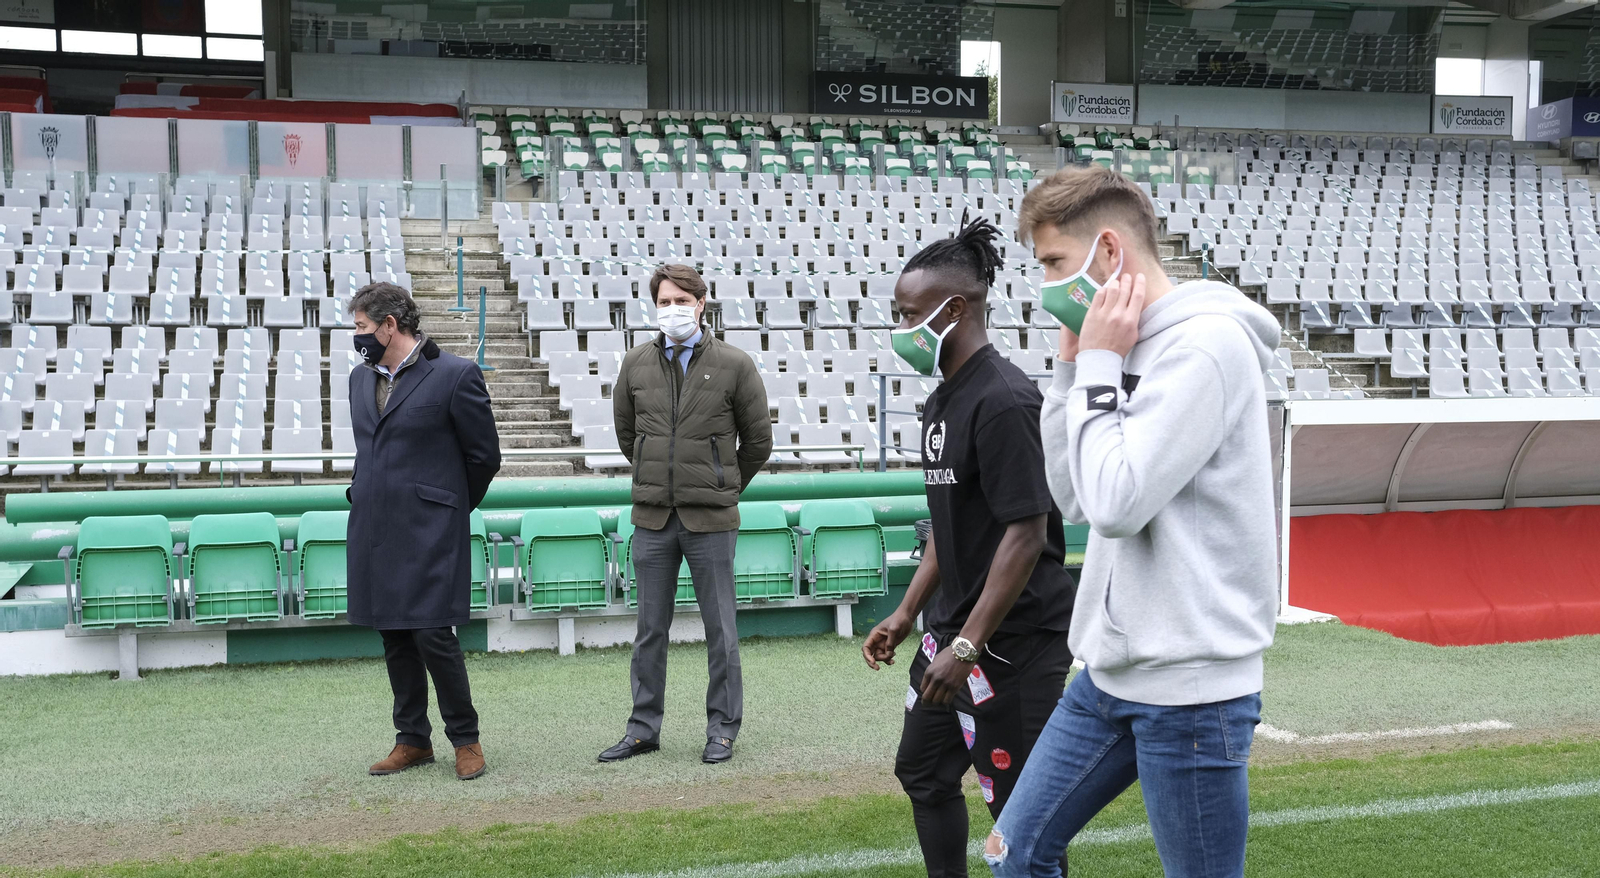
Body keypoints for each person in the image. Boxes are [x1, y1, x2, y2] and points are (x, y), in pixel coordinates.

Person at [983, 167, 1280, 878]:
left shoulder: (1206, 347)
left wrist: (1099, 362)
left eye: (1055, 262)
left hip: (1193, 690)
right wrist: (1070, 372)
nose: (1047, 283)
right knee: (1013, 855)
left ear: (1109, 251)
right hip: (1109, 676)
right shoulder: (1115, 349)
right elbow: (1077, 498)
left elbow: (1117, 505)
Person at [863, 217, 1076, 878]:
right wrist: (906, 613)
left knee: (1022, 820)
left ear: (955, 309)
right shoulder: (941, 402)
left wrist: (966, 647)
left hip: (1012, 645)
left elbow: (1025, 531)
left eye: (908, 315)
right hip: (951, 636)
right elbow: (950, 527)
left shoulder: (1006, 400)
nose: (900, 330)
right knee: (923, 772)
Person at [602, 264, 773, 765]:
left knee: (721, 629)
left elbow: (758, 440)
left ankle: (722, 729)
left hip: (711, 521)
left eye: (682, 299)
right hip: (652, 518)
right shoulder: (635, 363)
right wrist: (658, 477)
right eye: (664, 300)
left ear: (701, 302)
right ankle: (642, 728)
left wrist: (721, 482)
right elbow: (626, 434)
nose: (672, 309)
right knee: (649, 630)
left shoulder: (735, 364)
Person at [345, 281, 502, 782]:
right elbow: (368, 449)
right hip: (376, 528)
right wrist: (358, 489)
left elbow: (485, 457)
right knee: (394, 635)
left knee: (435, 634)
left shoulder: (456, 374)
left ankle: (466, 739)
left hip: (431, 530)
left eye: (362, 327)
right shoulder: (358, 379)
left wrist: (450, 509)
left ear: (390, 326)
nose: (358, 337)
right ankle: (411, 739)